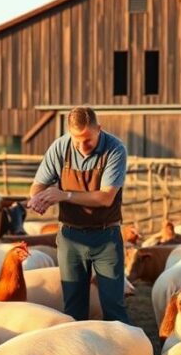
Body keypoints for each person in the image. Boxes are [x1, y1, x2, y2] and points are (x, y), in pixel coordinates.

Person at [27, 106, 130, 323]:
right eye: (77, 141)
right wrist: (38, 199)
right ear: (69, 133)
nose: (82, 147)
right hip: (70, 238)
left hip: (106, 238)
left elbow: (105, 198)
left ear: (99, 129)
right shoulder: (60, 147)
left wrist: (64, 195)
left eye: (88, 140)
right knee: (73, 308)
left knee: (113, 306)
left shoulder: (115, 149)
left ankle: (122, 343)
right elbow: (37, 185)